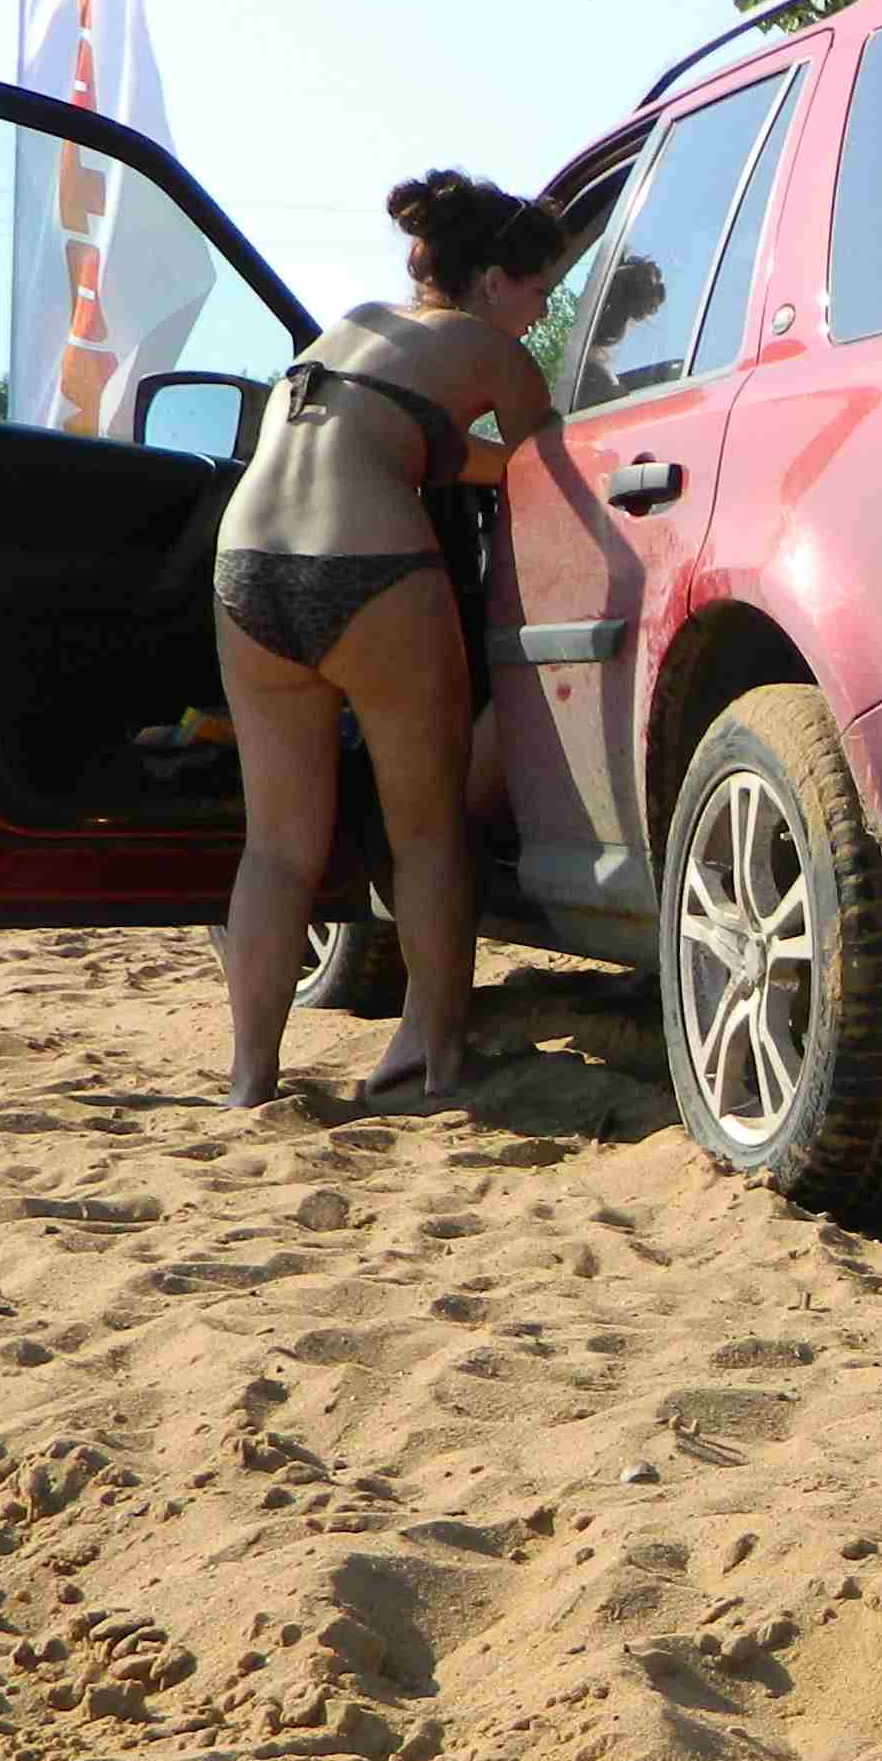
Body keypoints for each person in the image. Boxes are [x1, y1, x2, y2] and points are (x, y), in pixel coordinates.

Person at [210, 170, 567, 1106]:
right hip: (370, 566)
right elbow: (551, 474)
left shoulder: (354, 330)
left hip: (246, 571)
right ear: (494, 281)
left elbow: (420, 444)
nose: (542, 311)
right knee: (429, 833)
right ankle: (437, 1061)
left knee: (276, 847)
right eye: (539, 291)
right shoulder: (492, 350)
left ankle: (249, 1079)